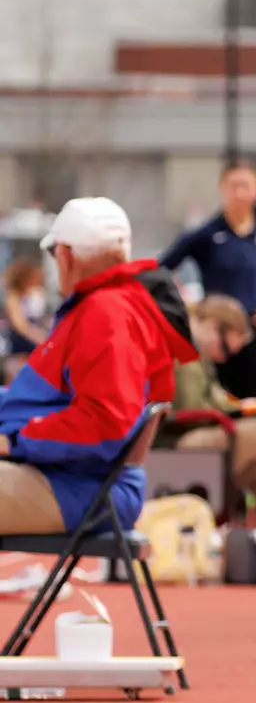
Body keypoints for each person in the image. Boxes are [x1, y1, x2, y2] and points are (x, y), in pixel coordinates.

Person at [0, 198, 196, 535]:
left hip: (83, 487)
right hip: (74, 477)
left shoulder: (106, 314)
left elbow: (104, 424)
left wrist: (15, 439)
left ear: (65, 255)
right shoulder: (111, 306)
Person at [159, 161, 256, 402]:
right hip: (216, 335)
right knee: (216, 398)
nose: (239, 193)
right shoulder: (206, 234)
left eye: (246, 186)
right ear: (222, 188)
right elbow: (161, 270)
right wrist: (185, 311)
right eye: (233, 185)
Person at [161, 295, 256, 529]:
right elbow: (190, 409)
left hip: (196, 435)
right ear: (212, 326)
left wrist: (238, 408)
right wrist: (237, 412)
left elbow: (213, 401)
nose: (223, 357)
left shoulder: (196, 352)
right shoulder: (181, 346)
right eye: (224, 348)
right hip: (172, 443)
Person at [3, 257, 49, 385]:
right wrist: (41, 338)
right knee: (15, 378)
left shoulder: (37, 295)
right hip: (19, 347)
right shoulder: (13, 296)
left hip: (34, 347)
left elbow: (41, 319)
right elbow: (20, 325)